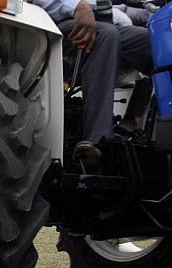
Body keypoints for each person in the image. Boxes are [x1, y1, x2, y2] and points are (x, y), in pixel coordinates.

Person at [32, 0, 153, 167]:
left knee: (158, 41)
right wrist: (78, 6)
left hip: (100, 23)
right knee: (106, 34)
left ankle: (167, 135)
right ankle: (96, 141)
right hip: (51, 26)